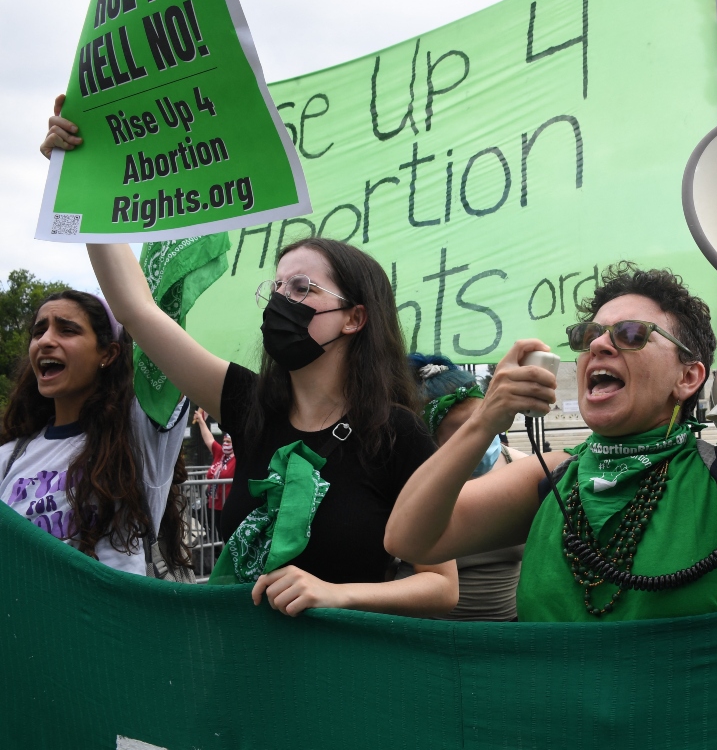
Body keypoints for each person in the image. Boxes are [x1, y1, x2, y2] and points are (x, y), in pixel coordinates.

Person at [43, 103, 456, 616]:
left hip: (344, 676)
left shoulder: (396, 434)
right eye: (277, 286)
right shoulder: (248, 403)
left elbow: (442, 585)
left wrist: (336, 595)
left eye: (302, 287)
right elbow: (136, 309)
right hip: (239, 671)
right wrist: (82, 176)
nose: (281, 299)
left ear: (354, 318)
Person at [385, 263, 717, 622]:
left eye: (630, 335)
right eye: (588, 335)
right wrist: (484, 422)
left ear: (689, 377)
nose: (597, 344)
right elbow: (410, 539)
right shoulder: (548, 478)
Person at [0, 290, 190, 576]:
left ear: (108, 353)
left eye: (67, 330)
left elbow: (163, 327)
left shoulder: (137, 439)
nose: (46, 341)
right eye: (39, 331)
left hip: (110, 619)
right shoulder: (8, 457)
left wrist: (99, 244)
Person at [403, 354, 526, 621]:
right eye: (463, 432)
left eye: (484, 424)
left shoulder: (521, 468)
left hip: (508, 638)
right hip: (425, 639)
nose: (480, 439)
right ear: (429, 438)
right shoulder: (410, 487)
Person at [193, 407, 235, 541]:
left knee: (225, 538)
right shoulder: (220, 454)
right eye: (224, 441)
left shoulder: (238, 458)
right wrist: (201, 421)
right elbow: (209, 439)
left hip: (227, 506)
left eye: (228, 442)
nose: (225, 444)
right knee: (214, 537)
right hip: (213, 504)